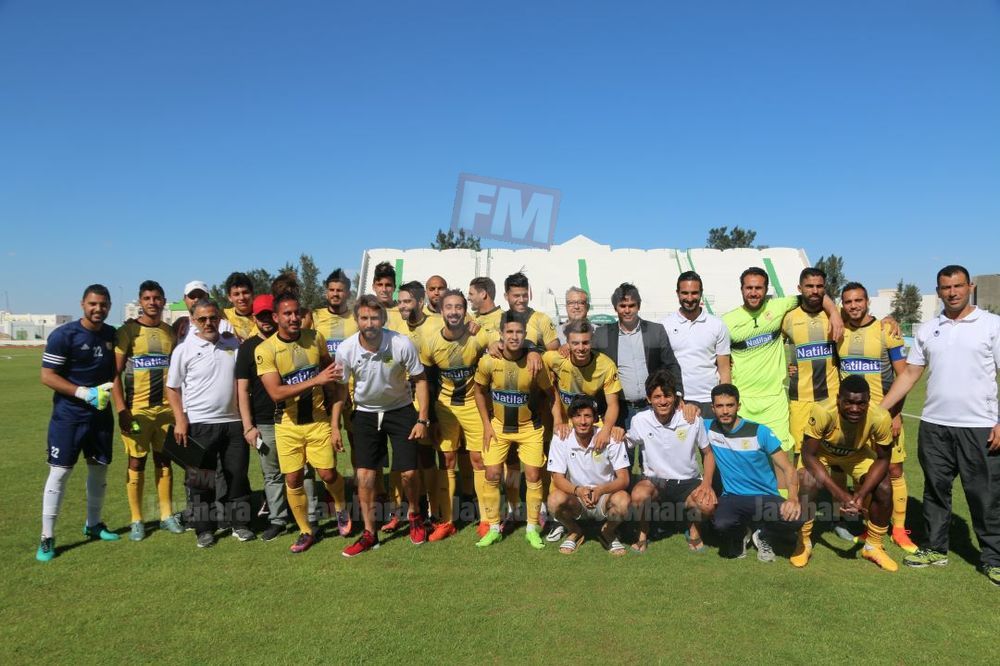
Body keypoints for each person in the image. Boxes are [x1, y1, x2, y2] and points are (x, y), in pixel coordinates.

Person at [881, 265, 1000, 585]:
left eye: (958, 286)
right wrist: (881, 410)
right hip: (934, 425)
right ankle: (935, 548)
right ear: (938, 291)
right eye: (946, 287)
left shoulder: (992, 324)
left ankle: (993, 558)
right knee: (935, 490)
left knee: (985, 495)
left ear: (970, 287)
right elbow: (910, 374)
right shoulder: (928, 329)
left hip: (979, 426)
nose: (952, 292)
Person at [721, 268, 843, 483]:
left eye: (758, 288)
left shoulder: (779, 307)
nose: (753, 292)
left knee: (781, 461)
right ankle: (745, 500)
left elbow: (813, 295)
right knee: (745, 460)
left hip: (775, 400)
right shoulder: (726, 321)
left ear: (766, 289)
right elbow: (717, 357)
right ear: (741, 289)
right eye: (749, 288)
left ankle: (785, 502)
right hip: (744, 401)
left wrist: (834, 312)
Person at [333, 295, 432, 557]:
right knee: (365, 477)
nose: (370, 323)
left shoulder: (401, 343)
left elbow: (421, 380)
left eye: (375, 318)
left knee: (409, 474)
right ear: (356, 319)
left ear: (383, 319)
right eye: (364, 318)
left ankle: (414, 515)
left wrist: (422, 418)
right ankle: (369, 533)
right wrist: (334, 426)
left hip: (400, 411)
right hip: (365, 414)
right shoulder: (345, 349)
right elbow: (340, 390)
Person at [255, 292, 350, 553]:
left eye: (297, 312)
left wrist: (334, 409)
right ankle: (305, 531)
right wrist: (315, 380)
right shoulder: (265, 350)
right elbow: (276, 393)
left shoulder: (315, 338)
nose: (294, 318)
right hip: (287, 425)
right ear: (276, 318)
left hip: (318, 421)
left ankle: (341, 507)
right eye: (287, 313)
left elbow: (329, 371)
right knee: (294, 479)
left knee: (327, 473)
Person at [36, 284, 120, 562]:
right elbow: (47, 376)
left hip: (100, 416)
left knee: (99, 470)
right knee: (60, 473)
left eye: (103, 304)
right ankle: (47, 537)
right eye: (93, 304)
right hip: (69, 417)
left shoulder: (111, 334)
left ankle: (93, 524)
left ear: (109, 306)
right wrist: (83, 393)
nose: (98, 309)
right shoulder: (64, 335)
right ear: (82, 304)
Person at [165, 299, 254, 548]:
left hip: (233, 422)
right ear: (193, 320)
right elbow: (172, 388)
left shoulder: (232, 344)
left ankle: (240, 524)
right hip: (199, 423)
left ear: (219, 319)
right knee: (201, 480)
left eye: (213, 318)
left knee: (237, 476)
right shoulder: (184, 349)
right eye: (202, 319)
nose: (208, 323)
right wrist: (180, 420)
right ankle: (204, 529)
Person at [836, 281, 916, 552]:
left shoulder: (886, 330)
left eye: (858, 300)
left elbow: (903, 376)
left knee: (894, 469)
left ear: (867, 301)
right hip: (854, 419)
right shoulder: (839, 331)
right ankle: (871, 526)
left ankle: (900, 529)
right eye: (848, 301)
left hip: (884, 414)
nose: (853, 306)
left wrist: (895, 413)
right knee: (866, 472)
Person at [791, 375, 898, 571]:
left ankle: (873, 546)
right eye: (848, 402)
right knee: (807, 480)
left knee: (883, 485)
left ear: (868, 401)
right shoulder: (823, 410)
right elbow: (808, 455)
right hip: (821, 454)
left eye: (861, 403)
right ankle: (803, 542)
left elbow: (883, 460)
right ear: (838, 398)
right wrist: (841, 495)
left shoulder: (881, 416)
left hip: (855, 455)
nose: (855, 408)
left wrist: (861, 494)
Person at [473, 312, 561, 549]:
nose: (514, 336)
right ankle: (494, 528)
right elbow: (478, 391)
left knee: (533, 475)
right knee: (492, 474)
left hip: (529, 428)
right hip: (498, 427)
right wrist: (486, 424)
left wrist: (558, 421)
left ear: (525, 334)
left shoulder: (535, 362)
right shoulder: (489, 361)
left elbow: (551, 393)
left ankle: (532, 528)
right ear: (501, 334)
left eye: (519, 332)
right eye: (509, 332)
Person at [417, 289, 495, 541]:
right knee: (447, 459)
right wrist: (431, 418)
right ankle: (446, 521)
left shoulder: (478, 334)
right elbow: (428, 382)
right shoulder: (430, 342)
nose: (453, 312)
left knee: (478, 460)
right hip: (445, 408)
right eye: (449, 307)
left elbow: (498, 344)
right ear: (441, 311)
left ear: (465, 311)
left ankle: (487, 519)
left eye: (459, 307)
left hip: (473, 405)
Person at [111, 280, 183, 541]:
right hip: (137, 410)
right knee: (136, 461)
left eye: (157, 298)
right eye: (147, 298)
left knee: (164, 460)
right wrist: (122, 409)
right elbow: (115, 373)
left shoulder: (169, 332)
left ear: (163, 301)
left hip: (165, 410)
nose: (152, 302)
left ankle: (166, 515)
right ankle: (137, 519)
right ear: (140, 301)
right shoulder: (127, 331)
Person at [705, 384, 802, 561]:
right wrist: (687, 407)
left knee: (797, 518)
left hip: (765, 496)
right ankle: (741, 533)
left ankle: (764, 534)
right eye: (720, 406)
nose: (725, 411)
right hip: (732, 496)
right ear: (713, 408)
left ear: (738, 406)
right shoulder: (708, 427)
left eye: (730, 405)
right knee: (721, 524)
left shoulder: (760, 432)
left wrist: (793, 497)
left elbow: (788, 468)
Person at [627, 370, 717, 554]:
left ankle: (693, 529)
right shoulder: (639, 420)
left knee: (708, 505)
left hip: (688, 482)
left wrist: (707, 483)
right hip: (654, 482)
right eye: (657, 397)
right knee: (638, 496)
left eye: (667, 395)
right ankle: (643, 531)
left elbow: (708, 454)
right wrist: (614, 432)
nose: (663, 401)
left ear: (675, 397)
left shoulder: (691, 418)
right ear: (648, 399)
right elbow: (624, 443)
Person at [235, 294, 290, 542]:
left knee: (301, 471)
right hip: (265, 421)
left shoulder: (289, 340)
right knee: (272, 474)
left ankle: (307, 516)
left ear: (276, 315)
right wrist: (248, 426)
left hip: (293, 418)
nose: (266, 320)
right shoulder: (247, 348)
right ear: (254, 318)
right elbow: (242, 389)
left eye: (269, 314)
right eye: (261, 316)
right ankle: (278, 519)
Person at [593, 282, 686, 429]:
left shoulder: (656, 331)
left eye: (632, 305)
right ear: (615, 307)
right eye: (623, 306)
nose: (627, 310)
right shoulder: (601, 334)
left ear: (639, 306)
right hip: (620, 409)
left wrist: (678, 394)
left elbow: (671, 364)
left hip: (652, 407)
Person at [546, 396, 631, 555]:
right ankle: (574, 531)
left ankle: (608, 531)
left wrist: (601, 490)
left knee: (623, 500)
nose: (583, 421)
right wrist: (578, 490)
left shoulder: (612, 437)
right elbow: (557, 478)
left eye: (587, 416)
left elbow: (624, 479)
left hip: (605, 496)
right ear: (571, 419)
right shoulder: (561, 438)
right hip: (577, 497)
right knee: (553, 500)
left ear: (595, 418)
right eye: (578, 416)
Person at [782, 268, 841, 457]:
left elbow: (864, 321)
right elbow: (772, 347)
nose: (815, 291)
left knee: (834, 454)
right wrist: (787, 366)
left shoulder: (836, 316)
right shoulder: (788, 317)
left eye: (819, 286)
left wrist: (889, 320)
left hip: (831, 397)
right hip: (800, 399)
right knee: (801, 455)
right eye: (809, 286)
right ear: (799, 288)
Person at [661, 271, 731, 419]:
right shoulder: (665, 325)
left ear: (701, 293)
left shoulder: (717, 325)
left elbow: (724, 369)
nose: (689, 298)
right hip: (679, 401)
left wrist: (723, 401)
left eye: (694, 293)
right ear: (677, 293)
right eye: (685, 293)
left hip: (710, 400)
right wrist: (673, 396)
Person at [370, 261, 407, 333]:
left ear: (394, 287)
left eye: (388, 285)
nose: (384, 289)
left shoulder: (404, 312)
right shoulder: (365, 311)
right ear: (373, 287)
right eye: (380, 285)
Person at [222, 272, 257, 341]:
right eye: (236, 294)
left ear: (252, 294)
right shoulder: (224, 316)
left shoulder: (262, 315)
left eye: (245, 292)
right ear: (229, 297)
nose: (242, 298)